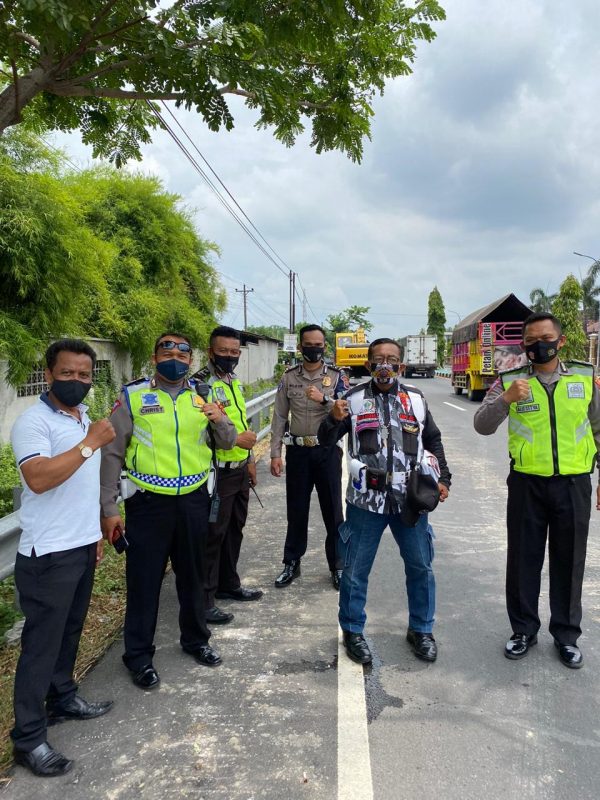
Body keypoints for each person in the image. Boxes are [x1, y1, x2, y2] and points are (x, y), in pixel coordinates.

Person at [100, 332, 237, 690]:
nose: (175, 356)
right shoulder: (132, 396)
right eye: (167, 349)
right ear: (154, 355)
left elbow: (228, 443)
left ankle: (196, 641)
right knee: (144, 581)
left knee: (193, 575)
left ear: (191, 359)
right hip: (147, 502)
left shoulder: (203, 394)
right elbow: (113, 453)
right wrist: (108, 505)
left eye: (182, 351)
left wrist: (218, 419)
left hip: (194, 499)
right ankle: (139, 657)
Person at [10, 339, 116, 777]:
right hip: (47, 553)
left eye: (85, 375)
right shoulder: (33, 422)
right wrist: (91, 444)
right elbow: (38, 478)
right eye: (68, 373)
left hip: (79, 544)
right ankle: (29, 739)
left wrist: (93, 532)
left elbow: (81, 487)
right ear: (49, 373)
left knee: (70, 632)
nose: (77, 381)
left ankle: (63, 697)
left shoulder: (83, 418)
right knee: (41, 646)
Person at [474, 312, 600, 669]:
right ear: (523, 345)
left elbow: (598, 427)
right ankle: (523, 631)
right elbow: (482, 425)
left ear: (560, 342)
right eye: (530, 340)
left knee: (569, 560)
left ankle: (566, 635)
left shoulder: (584, 378)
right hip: (528, 484)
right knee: (523, 559)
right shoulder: (510, 380)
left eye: (545, 338)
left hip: (574, 483)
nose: (537, 346)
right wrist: (506, 400)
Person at [318, 338, 451, 666]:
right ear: (368, 365)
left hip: (410, 500)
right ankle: (352, 631)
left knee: (420, 566)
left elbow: (431, 439)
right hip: (366, 502)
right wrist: (333, 418)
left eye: (392, 359)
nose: (385, 365)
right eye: (378, 359)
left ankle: (421, 629)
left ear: (402, 366)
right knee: (354, 570)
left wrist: (443, 478)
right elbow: (325, 441)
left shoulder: (416, 399)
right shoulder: (351, 399)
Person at [194, 326, 263, 626]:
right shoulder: (199, 385)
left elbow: (238, 421)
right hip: (216, 474)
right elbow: (202, 431)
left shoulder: (233, 381)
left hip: (238, 470)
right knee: (213, 536)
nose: (230, 357)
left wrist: (248, 460)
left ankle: (228, 584)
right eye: (223, 352)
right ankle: (205, 601)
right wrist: (237, 443)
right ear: (210, 352)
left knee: (234, 529)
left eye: (235, 352)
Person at [270, 324, 348, 589]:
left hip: (326, 452)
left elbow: (344, 409)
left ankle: (337, 566)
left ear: (324, 347)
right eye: (308, 344)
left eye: (318, 344)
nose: (313, 349)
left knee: (333, 512)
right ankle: (292, 563)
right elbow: (280, 415)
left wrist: (323, 399)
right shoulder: (289, 377)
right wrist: (275, 453)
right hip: (298, 452)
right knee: (296, 510)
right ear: (300, 346)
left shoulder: (337, 377)